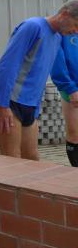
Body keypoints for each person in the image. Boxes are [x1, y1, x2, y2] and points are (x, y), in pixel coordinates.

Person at [0, 1, 78, 160]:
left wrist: (35, 109)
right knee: (11, 158)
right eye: (76, 25)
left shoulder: (56, 38)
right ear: (64, 14)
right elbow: (8, 64)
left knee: (32, 159)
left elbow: (40, 75)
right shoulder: (33, 26)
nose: (76, 31)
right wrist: (1, 104)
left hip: (29, 103)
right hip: (9, 99)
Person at [49, 33, 78, 166]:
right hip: (73, 88)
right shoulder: (65, 29)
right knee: (74, 134)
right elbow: (57, 62)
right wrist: (70, 88)